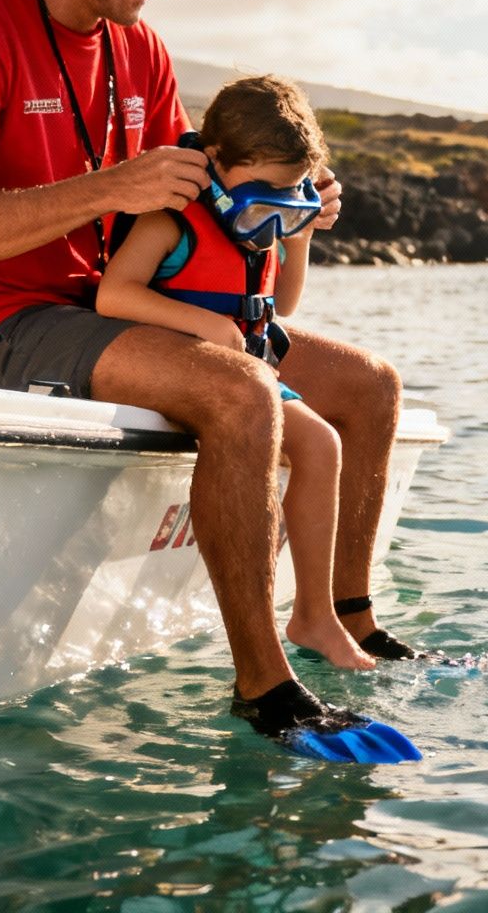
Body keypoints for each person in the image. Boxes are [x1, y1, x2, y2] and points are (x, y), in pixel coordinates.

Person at [0, 0, 418, 761]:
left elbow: (194, 200)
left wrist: (287, 201)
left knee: (370, 386)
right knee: (239, 391)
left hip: (106, 310)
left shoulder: (144, 52)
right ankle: (266, 689)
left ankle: (342, 619)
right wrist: (107, 190)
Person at [94, 74, 374, 672]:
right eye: (269, 186)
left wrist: (298, 239)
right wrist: (201, 322)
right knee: (300, 434)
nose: (279, 200)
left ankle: (315, 615)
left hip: (248, 369)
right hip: (173, 366)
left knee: (322, 444)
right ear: (217, 159)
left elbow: (287, 305)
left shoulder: (263, 225)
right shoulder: (172, 217)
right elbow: (113, 296)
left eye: (293, 188)